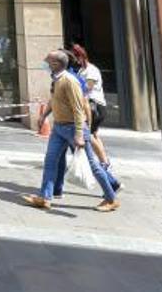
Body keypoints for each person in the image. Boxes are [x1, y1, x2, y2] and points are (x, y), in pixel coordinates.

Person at [22, 50, 120, 212]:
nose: (45, 62)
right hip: (59, 128)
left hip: (73, 128)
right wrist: (44, 115)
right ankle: (44, 197)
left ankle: (111, 199)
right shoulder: (56, 79)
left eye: (48, 60)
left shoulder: (69, 81)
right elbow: (54, 100)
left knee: (92, 165)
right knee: (50, 161)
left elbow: (78, 109)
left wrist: (80, 134)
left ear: (55, 64)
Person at [71, 43, 113, 169]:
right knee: (94, 134)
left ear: (81, 57)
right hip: (92, 105)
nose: (75, 61)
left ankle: (104, 162)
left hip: (94, 106)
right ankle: (104, 161)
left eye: (76, 58)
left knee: (88, 134)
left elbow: (87, 88)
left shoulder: (91, 70)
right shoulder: (82, 70)